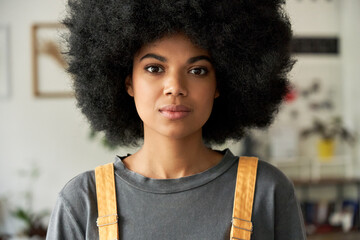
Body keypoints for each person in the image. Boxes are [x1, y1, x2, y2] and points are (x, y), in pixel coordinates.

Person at [46, 0, 306, 239]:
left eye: (198, 70)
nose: (175, 87)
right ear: (128, 82)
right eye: (154, 68)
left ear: (219, 84)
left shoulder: (268, 191)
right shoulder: (82, 201)